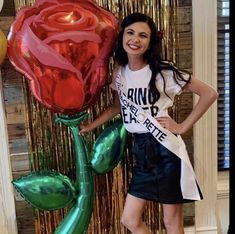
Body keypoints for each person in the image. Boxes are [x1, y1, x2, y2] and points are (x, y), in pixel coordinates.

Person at [80, 12, 218, 234]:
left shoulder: (164, 71)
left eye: (143, 35)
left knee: (171, 222)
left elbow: (209, 93)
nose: (135, 39)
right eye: (130, 32)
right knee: (130, 220)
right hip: (141, 150)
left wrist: (182, 126)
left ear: (150, 42)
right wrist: (91, 126)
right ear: (122, 36)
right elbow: (117, 107)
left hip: (166, 149)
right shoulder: (119, 74)